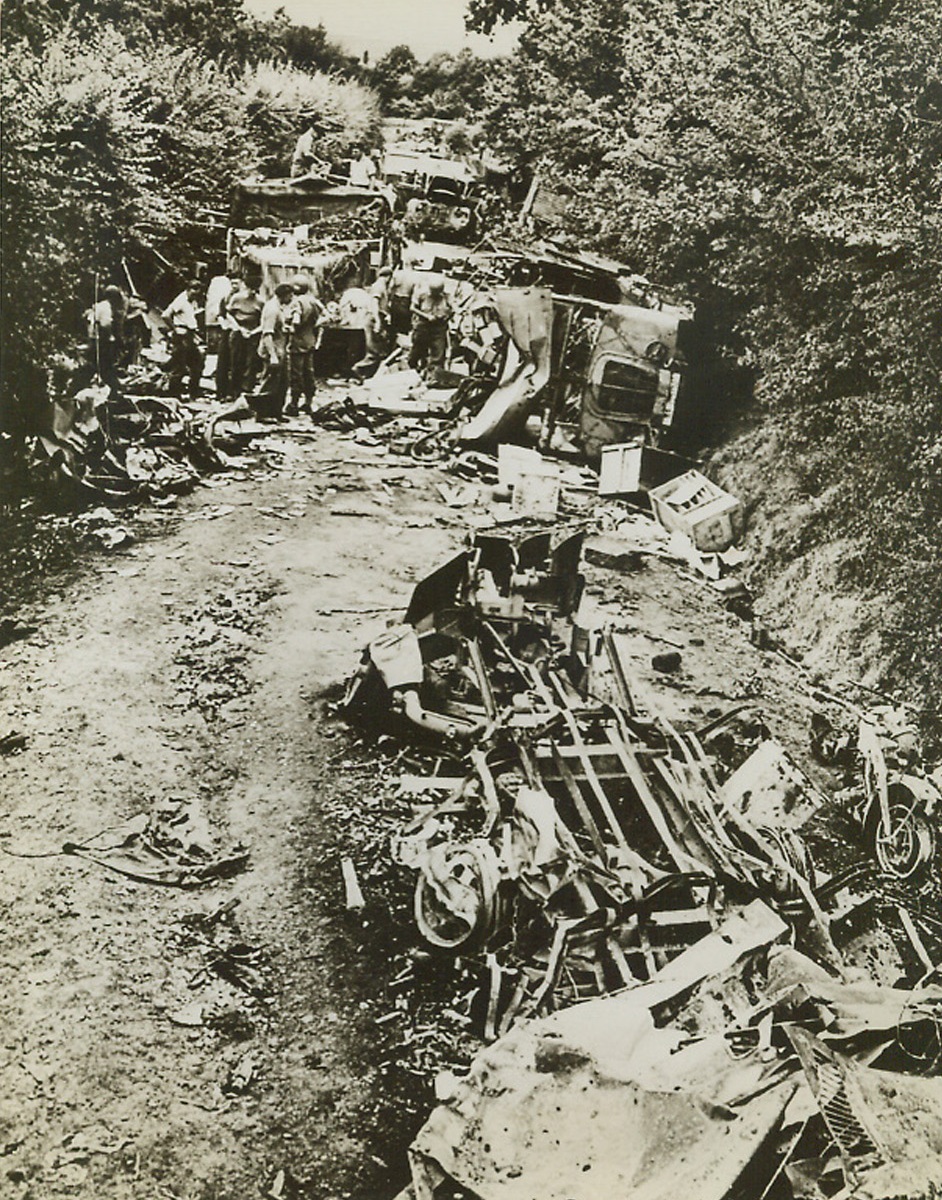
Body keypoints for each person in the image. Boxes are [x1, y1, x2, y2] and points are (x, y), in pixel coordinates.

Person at [251, 281, 295, 419]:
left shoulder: (278, 307)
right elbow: (267, 334)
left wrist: (285, 328)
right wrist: (273, 356)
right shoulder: (272, 309)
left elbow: (276, 328)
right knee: (269, 384)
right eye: (290, 295)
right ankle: (262, 413)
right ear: (284, 295)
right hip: (273, 351)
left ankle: (276, 412)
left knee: (282, 383)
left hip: (280, 350)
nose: (291, 298)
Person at [217, 273, 263, 400]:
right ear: (245, 287)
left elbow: (263, 320)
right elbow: (228, 314)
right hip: (237, 332)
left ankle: (246, 390)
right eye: (250, 289)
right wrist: (238, 328)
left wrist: (253, 332)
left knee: (251, 362)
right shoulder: (236, 298)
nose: (252, 292)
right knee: (235, 361)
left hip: (253, 334)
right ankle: (233, 391)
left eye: (254, 289)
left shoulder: (261, 302)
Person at [284, 275, 324, 415]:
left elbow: (296, 320)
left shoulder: (296, 302)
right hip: (310, 340)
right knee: (309, 372)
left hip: (298, 341)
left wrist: (290, 327)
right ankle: (308, 403)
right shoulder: (314, 301)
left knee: (296, 373)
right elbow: (325, 316)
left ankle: (294, 404)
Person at [163, 280, 204, 399]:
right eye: (194, 290)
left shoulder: (193, 301)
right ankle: (174, 393)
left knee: (197, 364)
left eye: (198, 291)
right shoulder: (181, 300)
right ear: (188, 289)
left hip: (190, 334)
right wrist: (174, 328)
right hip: (181, 335)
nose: (195, 293)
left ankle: (194, 392)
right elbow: (165, 315)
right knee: (179, 365)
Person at [353, 268, 393, 380]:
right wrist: (377, 321)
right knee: (374, 350)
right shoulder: (379, 286)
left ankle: (366, 374)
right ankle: (358, 369)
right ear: (388, 277)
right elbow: (375, 304)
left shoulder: (380, 285)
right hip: (374, 318)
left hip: (376, 317)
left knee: (378, 348)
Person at [409, 276, 452, 381]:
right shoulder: (421, 294)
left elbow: (453, 308)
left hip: (439, 327)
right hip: (423, 325)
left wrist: (446, 316)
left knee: (438, 352)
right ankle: (413, 372)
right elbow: (412, 308)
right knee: (417, 351)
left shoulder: (446, 296)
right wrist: (426, 316)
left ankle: (434, 376)